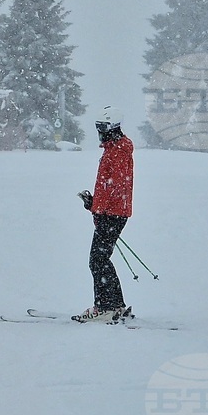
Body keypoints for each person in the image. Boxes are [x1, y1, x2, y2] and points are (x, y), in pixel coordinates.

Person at [74, 106, 134, 323]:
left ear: (112, 128)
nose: (99, 131)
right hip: (113, 212)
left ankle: (105, 307)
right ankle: (115, 304)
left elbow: (114, 186)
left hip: (112, 214)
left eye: (102, 127)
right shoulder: (115, 149)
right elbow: (110, 187)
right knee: (100, 259)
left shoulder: (117, 152)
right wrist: (94, 204)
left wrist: (97, 209)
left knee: (97, 260)